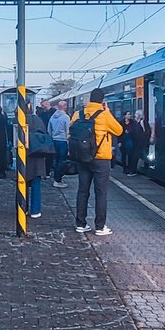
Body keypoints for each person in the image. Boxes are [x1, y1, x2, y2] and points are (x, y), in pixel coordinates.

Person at [71, 88, 124, 236]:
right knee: (101, 193)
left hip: (82, 158)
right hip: (101, 159)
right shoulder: (104, 114)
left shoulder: (78, 114)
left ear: (89, 99)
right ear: (102, 100)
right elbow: (119, 130)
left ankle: (80, 224)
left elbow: (71, 132)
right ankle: (100, 227)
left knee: (82, 191)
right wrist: (107, 112)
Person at [18, 100, 53, 217]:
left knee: (23, 183)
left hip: (23, 156)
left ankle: (24, 207)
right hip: (37, 156)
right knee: (36, 183)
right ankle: (35, 210)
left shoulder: (18, 120)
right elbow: (44, 135)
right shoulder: (37, 120)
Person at [48, 100, 71, 188]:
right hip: (63, 141)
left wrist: (52, 137)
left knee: (56, 160)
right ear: (64, 107)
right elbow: (68, 131)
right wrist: (68, 141)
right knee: (62, 161)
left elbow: (49, 130)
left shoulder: (52, 117)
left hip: (54, 140)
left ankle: (56, 177)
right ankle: (58, 180)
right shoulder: (66, 117)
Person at [121, 112, 149, 176]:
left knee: (135, 157)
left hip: (139, 142)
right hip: (135, 142)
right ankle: (133, 170)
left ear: (139, 115)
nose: (133, 115)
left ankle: (133, 171)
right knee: (134, 156)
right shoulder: (135, 122)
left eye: (136, 113)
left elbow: (144, 132)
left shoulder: (141, 122)